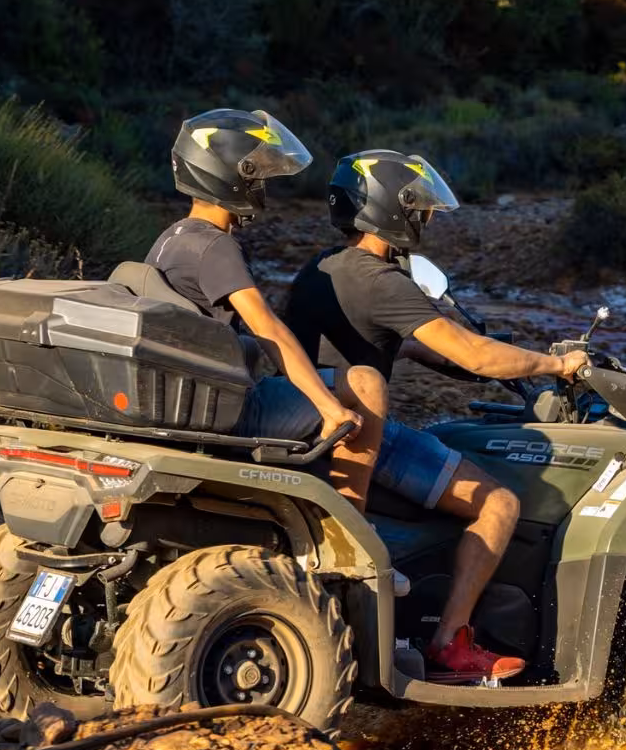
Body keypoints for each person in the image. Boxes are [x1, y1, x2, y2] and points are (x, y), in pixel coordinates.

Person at [278, 150, 588, 684]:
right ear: (390, 210)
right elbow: (473, 353)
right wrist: (557, 363)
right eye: (418, 209)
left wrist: (446, 354)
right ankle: (451, 643)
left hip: (306, 422)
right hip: (359, 427)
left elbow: (372, 345)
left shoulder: (321, 269)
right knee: (499, 503)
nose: (423, 221)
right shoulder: (384, 281)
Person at [145, 109, 380, 496]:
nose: (262, 187)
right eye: (256, 175)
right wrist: (329, 407)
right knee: (367, 383)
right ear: (232, 175)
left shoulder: (172, 237)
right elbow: (266, 326)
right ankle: (351, 526)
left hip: (184, 397)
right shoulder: (216, 245)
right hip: (224, 410)